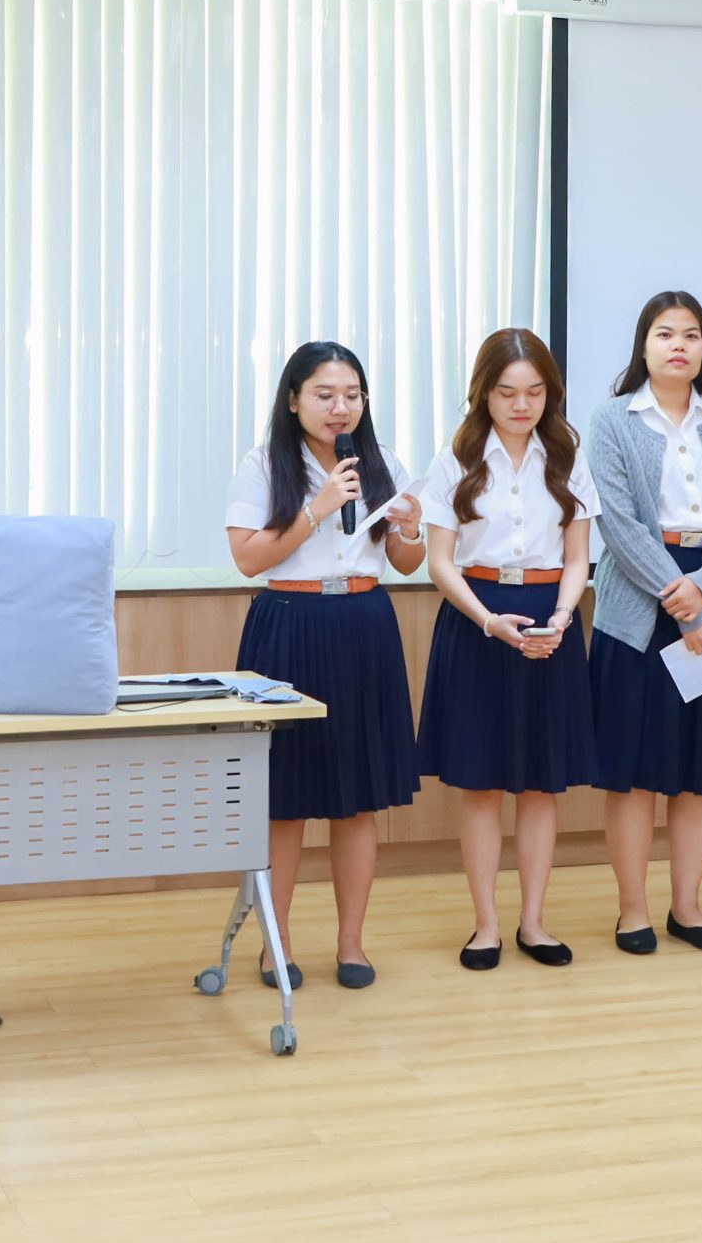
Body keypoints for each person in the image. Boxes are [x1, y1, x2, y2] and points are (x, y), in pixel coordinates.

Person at [225, 342, 426, 991]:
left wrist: (411, 528)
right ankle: (275, 944)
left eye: (352, 395)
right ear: (293, 399)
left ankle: (351, 943)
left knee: (357, 800)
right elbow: (249, 559)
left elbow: (403, 563)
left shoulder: (381, 462)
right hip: (289, 624)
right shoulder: (263, 464)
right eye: (325, 394)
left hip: (363, 625)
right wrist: (317, 507)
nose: (341, 407)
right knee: (284, 801)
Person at [585, 291, 702, 956]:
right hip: (638, 606)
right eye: (665, 333)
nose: (679, 345)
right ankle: (632, 910)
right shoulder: (612, 418)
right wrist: (679, 598)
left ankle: (687, 906)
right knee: (635, 773)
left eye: (691, 334)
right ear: (644, 344)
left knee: (701, 769)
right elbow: (618, 521)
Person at [417, 328, 600, 970]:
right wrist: (488, 621)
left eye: (535, 392)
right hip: (478, 620)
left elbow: (577, 557)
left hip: (551, 620)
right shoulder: (456, 456)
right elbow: (440, 563)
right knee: (481, 786)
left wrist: (561, 618)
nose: (522, 405)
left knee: (541, 787)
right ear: (483, 393)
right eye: (506, 392)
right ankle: (486, 926)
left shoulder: (567, 454)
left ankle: (534, 923)